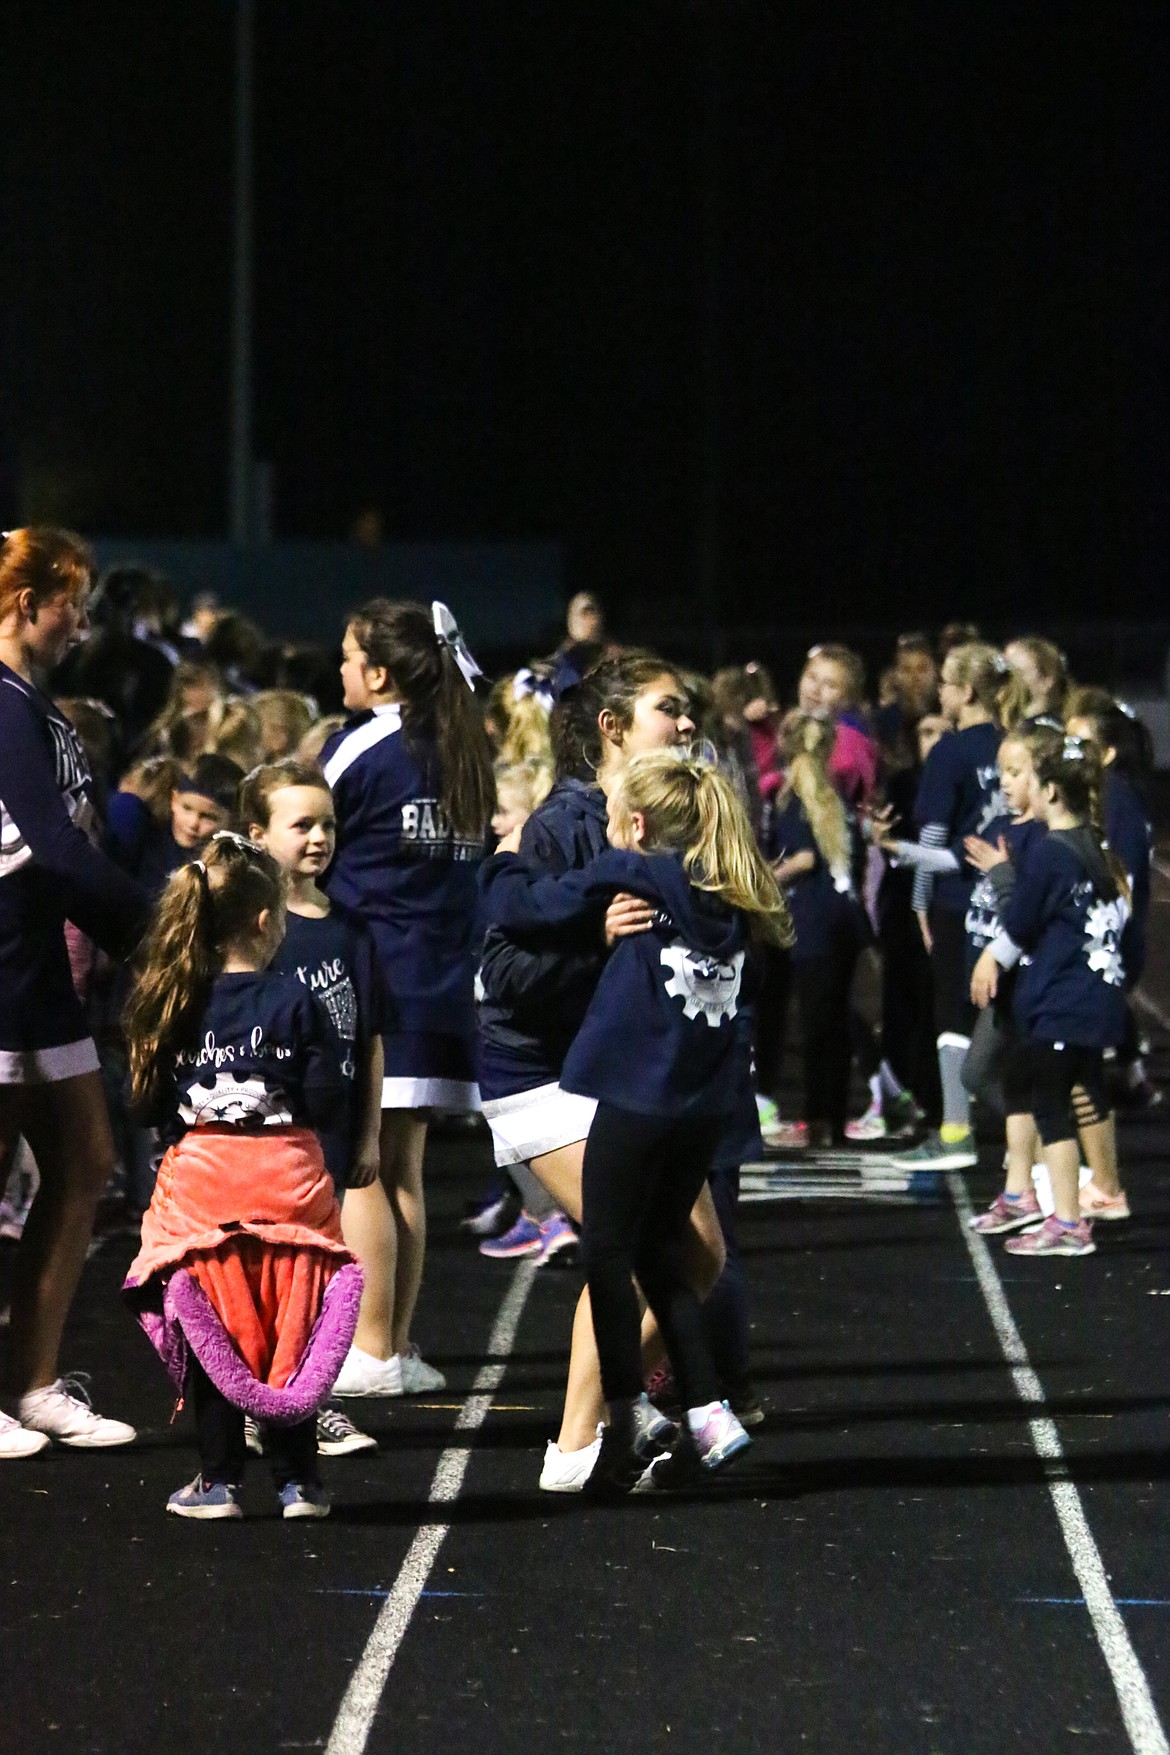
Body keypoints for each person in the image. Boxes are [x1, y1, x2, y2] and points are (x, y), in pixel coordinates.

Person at [482, 749, 792, 1494]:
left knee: (610, 1256)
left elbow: (535, 905)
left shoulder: (648, 873)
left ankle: (622, 1420)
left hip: (636, 1103)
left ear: (639, 824)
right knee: (660, 1252)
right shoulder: (734, 885)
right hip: (699, 1112)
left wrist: (498, 864)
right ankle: (708, 1410)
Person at [121, 834, 362, 1518]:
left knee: (213, 1326)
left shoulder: (175, 999)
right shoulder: (294, 1002)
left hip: (203, 1184)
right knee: (290, 1317)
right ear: (264, 920)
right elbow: (325, 1100)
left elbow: (144, 1104)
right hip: (286, 1182)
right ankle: (299, 1480)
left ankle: (220, 1479)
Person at [0, 527, 150, 1460]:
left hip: (37, 965)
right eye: (73, 603)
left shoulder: (32, 700)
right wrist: (156, 931)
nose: (82, 623)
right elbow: (52, 849)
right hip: (0, 958)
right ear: (26, 604)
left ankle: (32, 1380)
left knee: (89, 1161)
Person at [322, 600, 493, 1396]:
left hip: (374, 984)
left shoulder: (363, 745)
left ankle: (372, 1351)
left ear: (381, 673)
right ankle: (393, 1344)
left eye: (351, 656)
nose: (343, 669)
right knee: (405, 1173)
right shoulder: (463, 743)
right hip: (444, 983)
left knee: (361, 1170)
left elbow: (300, 837)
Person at [242, 759, 389, 1454]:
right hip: (267, 1139)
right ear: (257, 834)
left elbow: (371, 1036)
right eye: (300, 824)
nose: (318, 837)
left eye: (327, 823)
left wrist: (368, 1135)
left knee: (321, 1274)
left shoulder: (351, 930)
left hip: (329, 1139)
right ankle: (257, 1398)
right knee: (266, 1270)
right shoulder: (250, 931)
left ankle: (310, 1399)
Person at [980, 737, 1130, 1257]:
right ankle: (1052, 1205)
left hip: (1065, 1004)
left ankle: (1067, 1222)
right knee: (1062, 1093)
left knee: (1051, 1110)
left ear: (1050, 791)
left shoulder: (1049, 851)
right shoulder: (1096, 845)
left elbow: (1020, 922)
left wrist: (990, 957)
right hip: (1095, 1000)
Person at [878, 642, 1007, 1170]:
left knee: (950, 1014)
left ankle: (956, 1131)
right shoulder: (1014, 745)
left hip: (957, 903)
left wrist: (918, 905)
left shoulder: (950, 752)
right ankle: (1035, 1134)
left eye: (949, 685)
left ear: (967, 690)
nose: (943, 693)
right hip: (1009, 895)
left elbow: (933, 841)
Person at [960, 726, 1056, 1234]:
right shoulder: (999, 822)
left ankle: (1045, 1150)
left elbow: (1027, 911)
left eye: (1017, 772)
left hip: (1022, 980)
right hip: (996, 976)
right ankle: (1032, 1165)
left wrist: (1001, 871)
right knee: (993, 1077)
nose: (1005, 782)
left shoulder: (1039, 836)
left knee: (983, 1072)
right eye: (1001, 772)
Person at [766, 711, 870, 1146]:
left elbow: (804, 858)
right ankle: (835, 1118)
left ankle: (814, 1122)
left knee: (814, 1025)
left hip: (812, 922)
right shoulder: (835, 798)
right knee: (837, 1024)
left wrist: (765, 876)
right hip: (845, 920)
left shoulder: (792, 798)